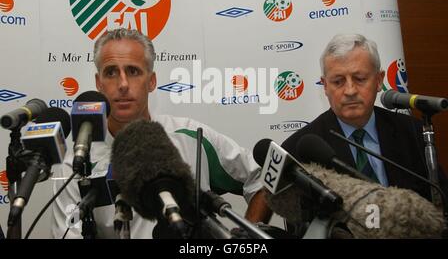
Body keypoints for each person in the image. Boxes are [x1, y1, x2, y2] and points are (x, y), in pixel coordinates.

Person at [51, 28, 271, 239]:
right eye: (111, 72)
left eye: (133, 71)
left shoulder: (191, 137)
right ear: (98, 83)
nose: (123, 84)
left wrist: (249, 235)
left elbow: (264, 178)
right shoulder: (75, 164)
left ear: (152, 81)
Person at [282, 33, 448, 201]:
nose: (350, 91)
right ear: (325, 86)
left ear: (378, 80)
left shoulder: (413, 132)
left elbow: (440, 201)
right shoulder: (298, 148)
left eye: (359, 79)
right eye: (338, 82)